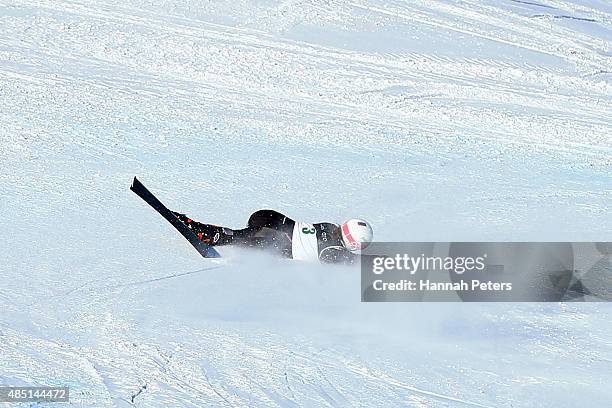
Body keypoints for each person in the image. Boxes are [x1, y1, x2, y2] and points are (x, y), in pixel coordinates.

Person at [171, 209, 373, 264]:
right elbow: (349, 262)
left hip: (271, 217)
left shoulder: (329, 227)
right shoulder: (334, 252)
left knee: (240, 236)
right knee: (242, 239)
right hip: (276, 238)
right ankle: (207, 235)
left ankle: (194, 224)